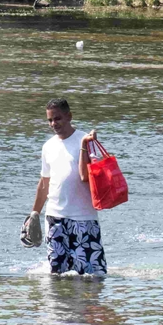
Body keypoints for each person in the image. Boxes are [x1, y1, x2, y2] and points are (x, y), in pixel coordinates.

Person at [29, 98, 107, 275]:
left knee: (92, 276)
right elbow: (44, 183)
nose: (53, 124)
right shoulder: (48, 146)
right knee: (56, 275)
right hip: (54, 218)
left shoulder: (86, 141)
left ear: (69, 116)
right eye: (49, 120)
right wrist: (34, 213)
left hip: (83, 217)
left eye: (57, 118)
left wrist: (83, 147)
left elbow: (86, 176)